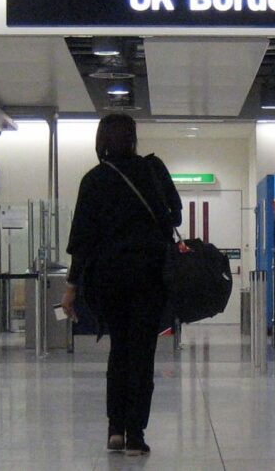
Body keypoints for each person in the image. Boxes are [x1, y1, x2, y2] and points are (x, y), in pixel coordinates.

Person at [60, 113, 182, 457]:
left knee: (119, 351)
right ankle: (135, 435)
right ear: (133, 138)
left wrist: (71, 288)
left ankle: (114, 430)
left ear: (100, 141)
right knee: (142, 355)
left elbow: (82, 241)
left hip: (109, 280)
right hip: (149, 278)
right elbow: (175, 215)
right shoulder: (153, 171)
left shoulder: (94, 180)